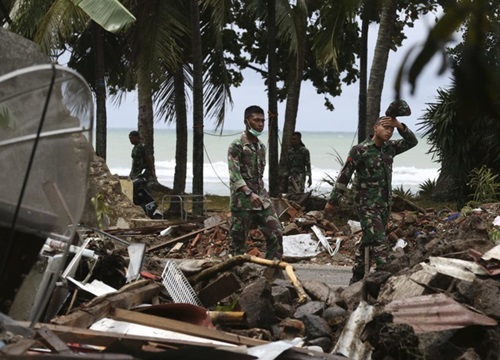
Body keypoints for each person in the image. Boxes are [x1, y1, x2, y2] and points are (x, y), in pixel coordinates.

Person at [324, 105, 418, 284]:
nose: (389, 131)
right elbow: (344, 176)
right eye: (385, 127)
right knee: (380, 242)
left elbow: (412, 142)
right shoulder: (360, 150)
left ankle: (357, 277)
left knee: (369, 239)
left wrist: (400, 125)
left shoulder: (390, 148)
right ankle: (384, 280)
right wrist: (333, 201)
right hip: (366, 206)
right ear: (375, 128)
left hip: (384, 205)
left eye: (391, 129)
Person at [227, 105, 284, 260]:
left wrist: (262, 194)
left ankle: (272, 274)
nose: (260, 124)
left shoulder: (260, 146)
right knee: (238, 243)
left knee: (276, 234)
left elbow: (259, 175)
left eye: (262, 121)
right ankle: (234, 277)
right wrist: (248, 193)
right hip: (243, 201)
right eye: (256, 120)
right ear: (247, 121)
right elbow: (234, 173)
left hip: (261, 200)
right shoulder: (237, 145)